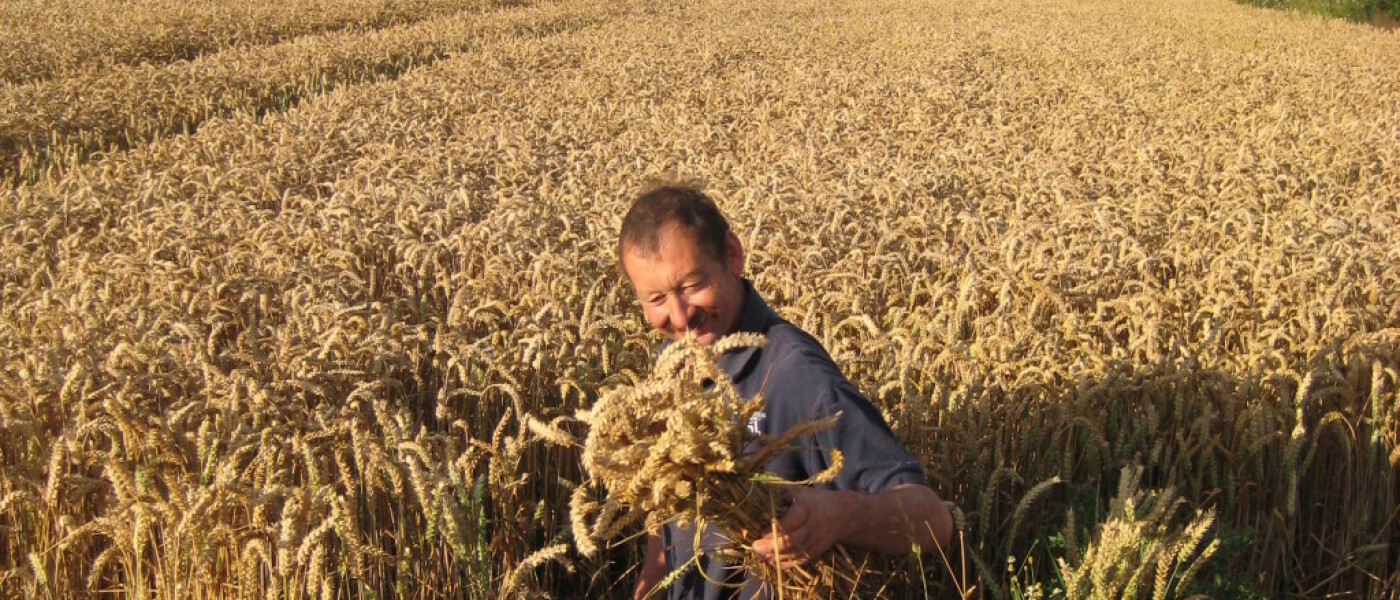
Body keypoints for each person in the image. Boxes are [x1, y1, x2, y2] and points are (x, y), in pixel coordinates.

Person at [617, 183, 954, 600]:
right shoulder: (670, 363)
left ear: (733, 255)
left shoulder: (796, 375)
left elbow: (933, 521)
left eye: (690, 284)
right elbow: (669, 511)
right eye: (655, 299)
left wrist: (838, 517)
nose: (680, 316)